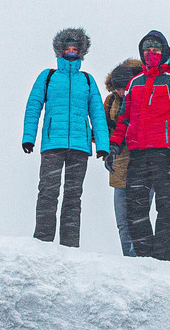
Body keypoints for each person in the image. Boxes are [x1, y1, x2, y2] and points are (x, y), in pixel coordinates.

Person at [21, 28, 112, 247]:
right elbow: (33, 106)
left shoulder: (88, 81)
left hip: (80, 147)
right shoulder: (48, 76)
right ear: (60, 51)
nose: (71, 52)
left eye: (75, 49)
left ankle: (70, 247)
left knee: (73, 198)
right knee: (47, 193)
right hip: (53, 144)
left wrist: (102, 145)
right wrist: (28, 137)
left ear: (81, 53)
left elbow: (98, 113)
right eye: (67, 49)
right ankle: (42, 242)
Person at [113, 30, 170, 261]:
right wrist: (114, 146)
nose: (151, 54)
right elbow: (124, 119)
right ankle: (144, 261)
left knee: (167, 210)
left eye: (156, 50)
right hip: (138, 156)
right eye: (147, 51)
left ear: (165, 51)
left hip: (166, 154)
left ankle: (166, 263)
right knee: (135, 211)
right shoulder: (134, 83)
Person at [102, 55, 144, 256]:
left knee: (139, 218)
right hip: (118, 166)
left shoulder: (143, 94)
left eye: (123, 86)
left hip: (142, 163)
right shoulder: (111, 102)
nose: (121, 91)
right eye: (117, 88)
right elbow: (103, 129)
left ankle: (142, 260)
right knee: (123, 222)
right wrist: (105, 147)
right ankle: (130, 260)